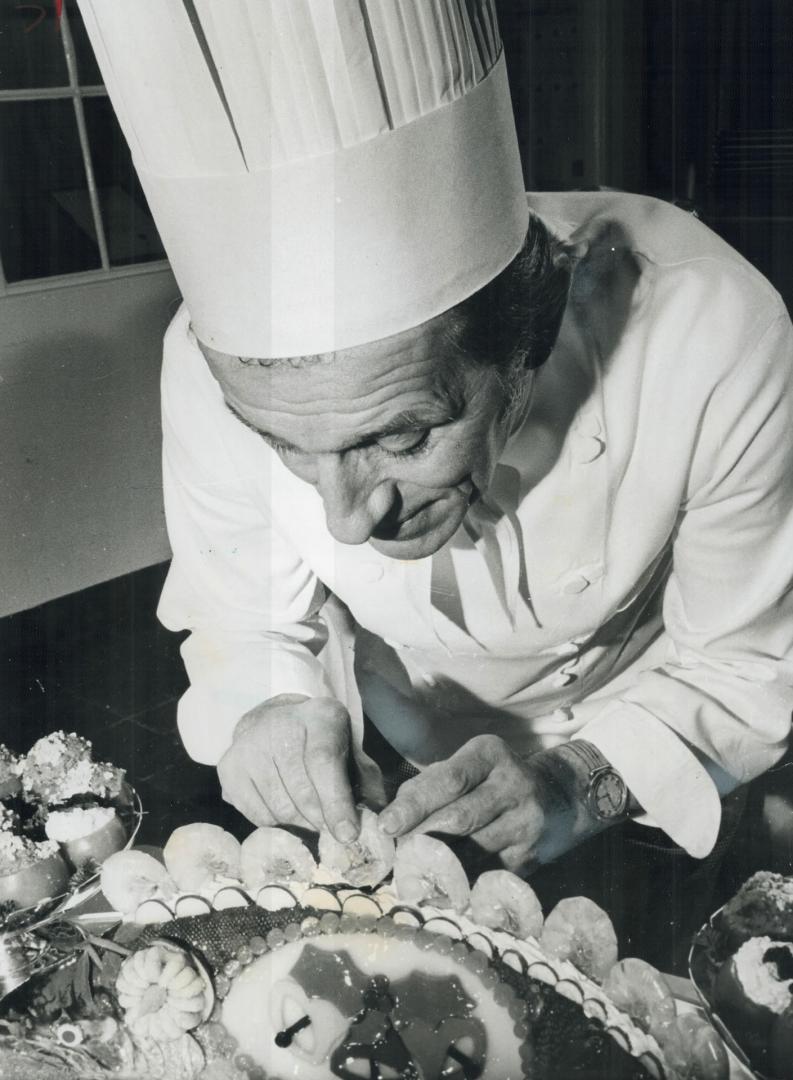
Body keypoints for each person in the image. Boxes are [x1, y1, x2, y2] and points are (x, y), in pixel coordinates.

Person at [79, 0, 793, 969]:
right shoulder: (209, 372)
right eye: (292, 448)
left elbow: (745, 664)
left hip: (635, 749)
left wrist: (578, 780)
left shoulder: (710, 339)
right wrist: (274, 703)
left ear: (523, 351)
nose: (346, 517)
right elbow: (244, 613)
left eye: (403, 433)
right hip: (390, 746)